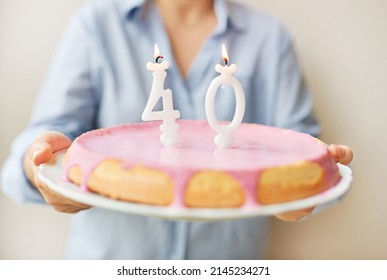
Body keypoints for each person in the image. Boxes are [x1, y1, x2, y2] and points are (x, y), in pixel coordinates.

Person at [1, 0, 353, 259]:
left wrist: (302, 191)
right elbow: (41, 145)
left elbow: (304, 149)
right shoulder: (95, 25)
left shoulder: (269, 38)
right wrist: (39, 165)